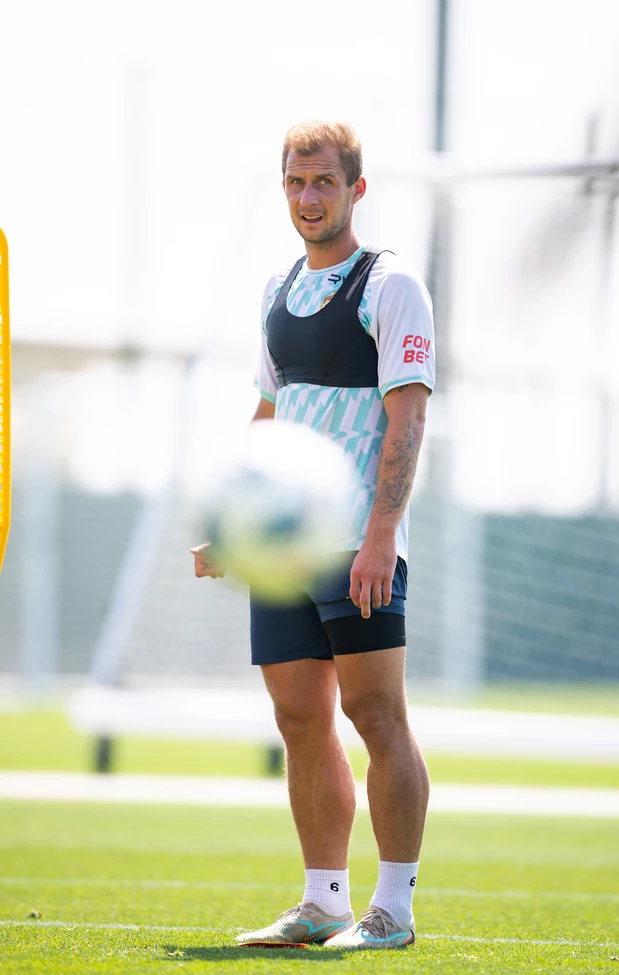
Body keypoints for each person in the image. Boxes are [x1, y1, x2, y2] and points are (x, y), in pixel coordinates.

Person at [191, 119, 434, 950]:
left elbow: (407, 419)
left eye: (324, 181)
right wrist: (230, 520)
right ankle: (324, 901)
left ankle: (392, 910)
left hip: (357, 543)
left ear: (355, 189)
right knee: (300, 717)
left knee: (376, 714)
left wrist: (381, 534)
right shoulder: (277, 289)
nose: (308, 196)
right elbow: (269, 412)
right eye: (296, 181)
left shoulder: (389, 285)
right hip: (284, 551)